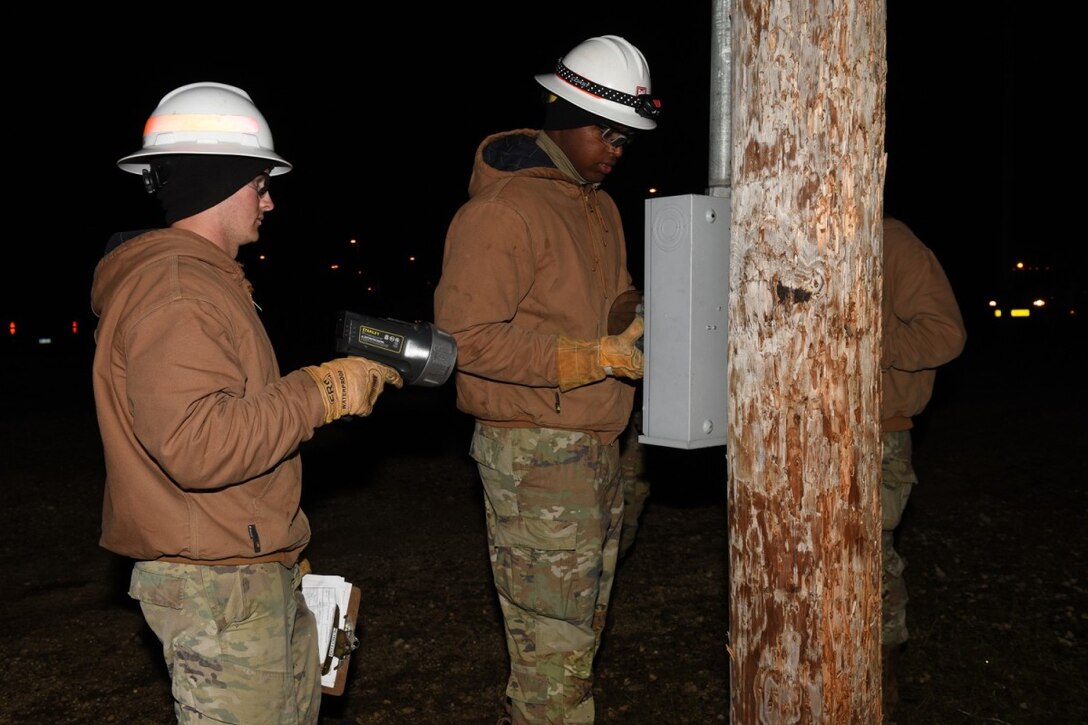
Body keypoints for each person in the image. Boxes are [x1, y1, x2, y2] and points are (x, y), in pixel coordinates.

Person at [91, 81, 403, 724]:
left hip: (241, 567)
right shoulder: (179, 291)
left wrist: (275, 546)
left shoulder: (206, 282)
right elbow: (199, 447)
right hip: (217, 587)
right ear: (218, 183)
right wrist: (323, 391)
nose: (269, 200)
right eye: (260, 183)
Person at [433, 36, 661, 724]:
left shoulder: (598, 206)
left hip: (595, 449)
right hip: (535, 457)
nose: (619, 146)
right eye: (609, 130)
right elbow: (465, 339)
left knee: (570, 648)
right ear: (561, 113)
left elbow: (610, 310)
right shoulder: (502, 212)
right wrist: (593, 358)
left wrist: (653, 316)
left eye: (629, 135)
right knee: (555, 667)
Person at [879, 216, 967, 719]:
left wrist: (870, 341)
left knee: (872, 562)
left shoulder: (893, 243)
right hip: (808, 436)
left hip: (878, 433)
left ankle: (881, 687)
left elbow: (945, 334)